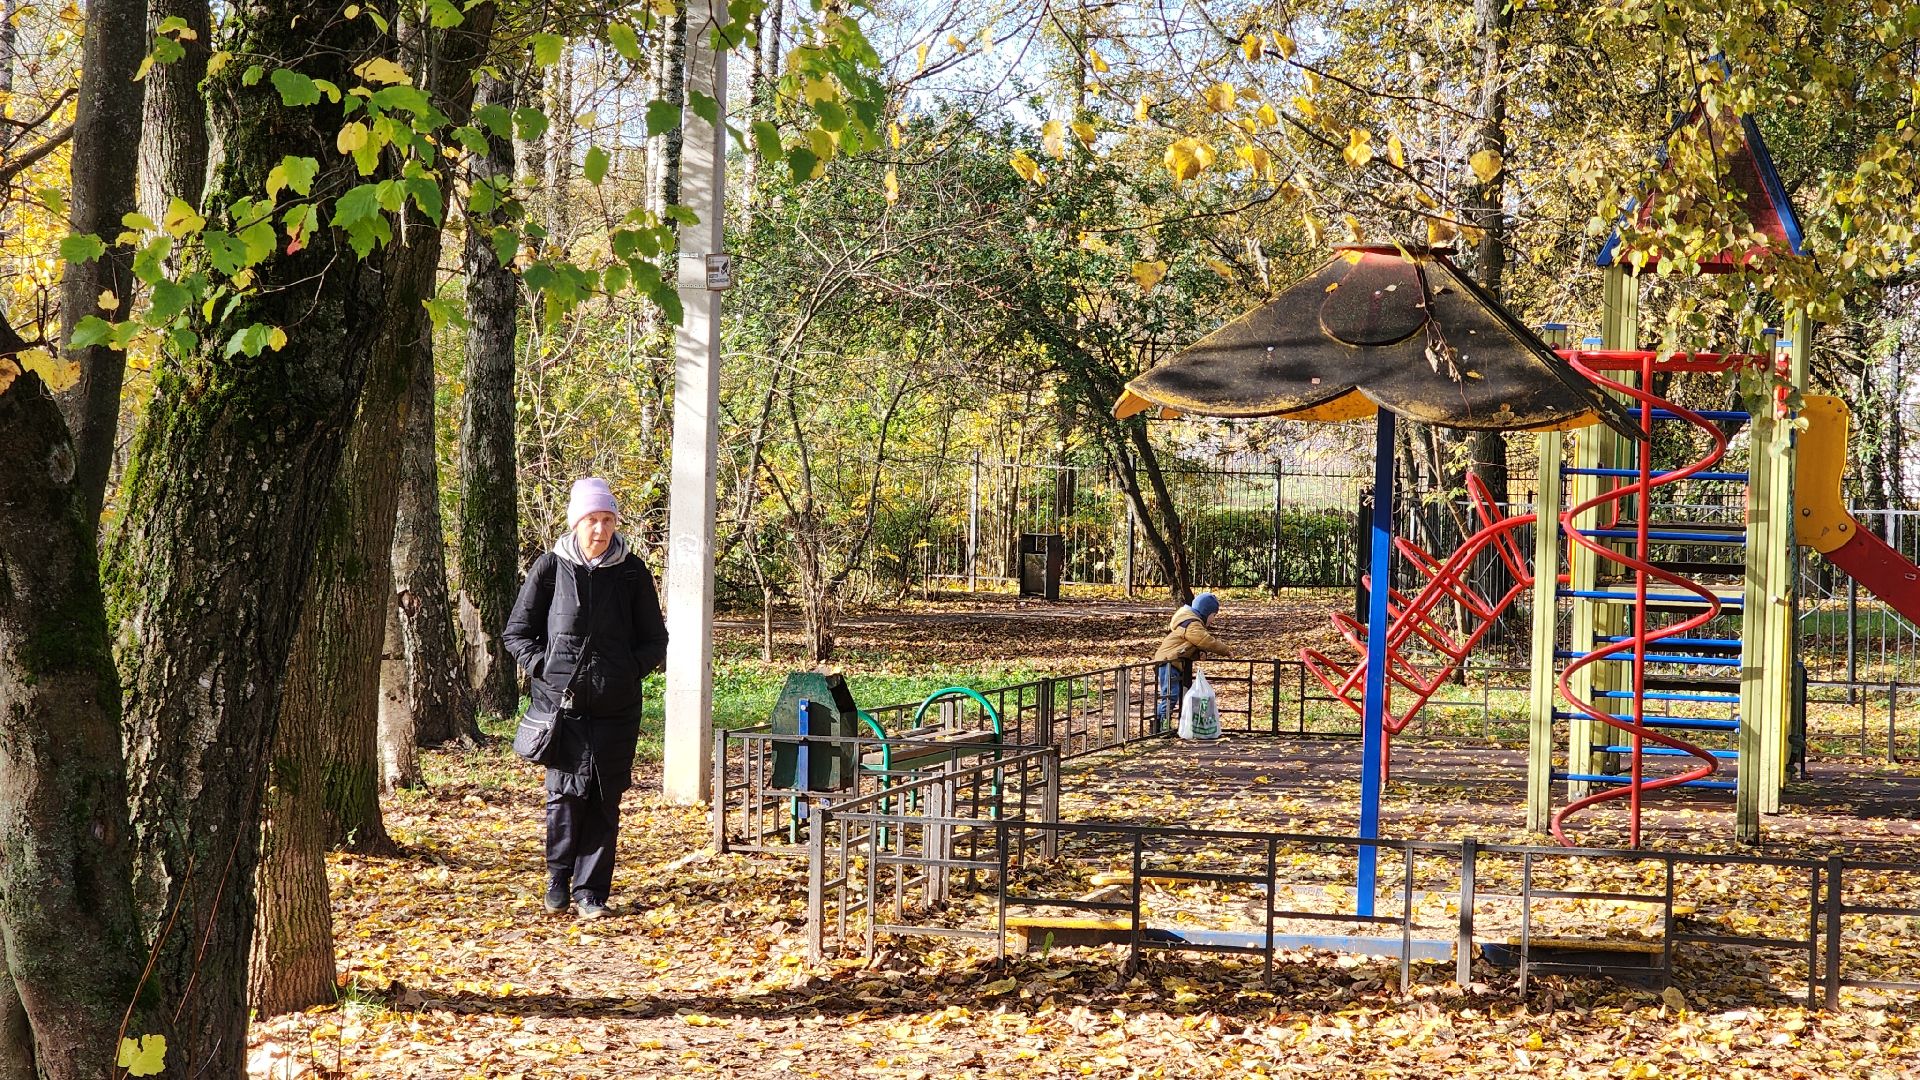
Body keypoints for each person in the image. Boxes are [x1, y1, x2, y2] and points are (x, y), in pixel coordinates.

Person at [504, 477, 668, 919]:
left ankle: (591, 892)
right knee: (564, 796)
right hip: (563, 709)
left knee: (604, 797)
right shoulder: (550, 568)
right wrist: (547, 669)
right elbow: (517, 634)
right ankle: (557, 880)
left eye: (608, 520)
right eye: (592, 519)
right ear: (576, 523)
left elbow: (655, 640)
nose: (600, 529)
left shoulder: (632, 572)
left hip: (617, 709)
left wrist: (625, 672)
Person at [1152, 592, 1230, 731]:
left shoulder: (1190, 623)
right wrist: (1225, 650)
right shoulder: (1192, 624)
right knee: (1170, 695)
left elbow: (1187, 646)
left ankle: (1158, 726)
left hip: (1172, 661)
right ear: (1206, 612)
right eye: (1213, 615)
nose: (1213, 619)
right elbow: (1205, 640)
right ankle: (1162, 726)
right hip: (1168, 661)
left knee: (1172, 694)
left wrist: (1199, 653)